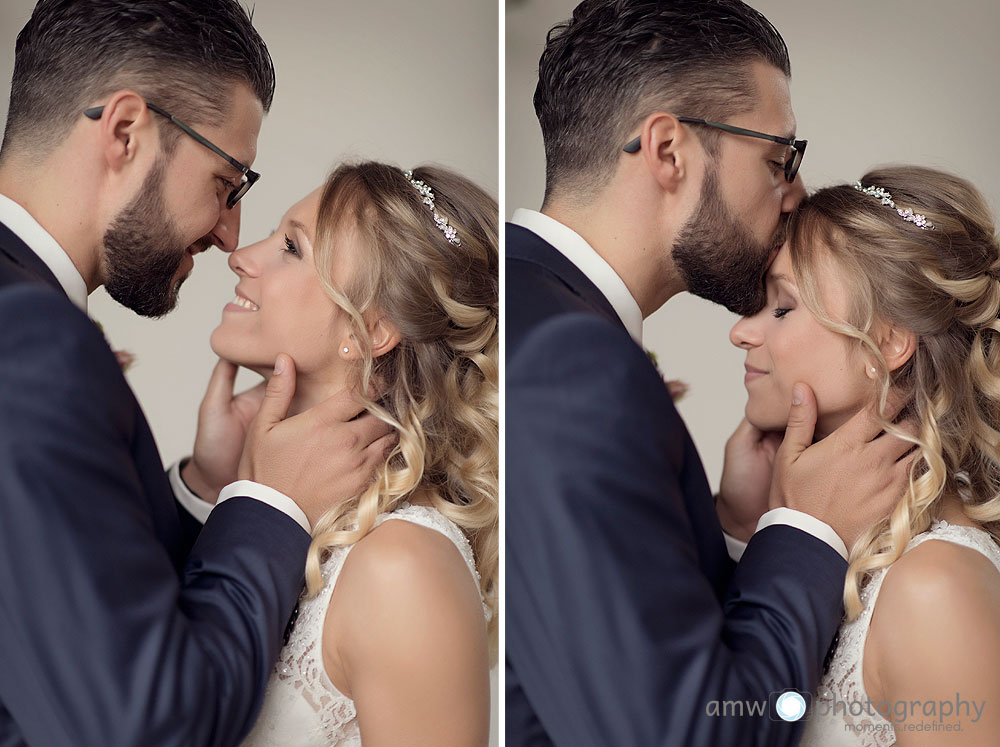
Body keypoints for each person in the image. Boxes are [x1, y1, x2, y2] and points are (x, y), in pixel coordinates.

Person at [505, 1, 916, 744]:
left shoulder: (520, 307)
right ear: (669, 152)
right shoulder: (575, 364)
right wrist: (809, 530)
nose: (792, 192)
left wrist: (729, 529)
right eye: (777, 158)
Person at [0, 2, 391, 744]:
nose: (230, 235)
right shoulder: (31, 339)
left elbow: (62, 616)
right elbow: (145, 724)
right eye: (226, 181)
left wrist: (210, 489)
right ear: (124, 132)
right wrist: (270, 504)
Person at [179, 161, 497, 746]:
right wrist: (213, 483)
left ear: (371, 330)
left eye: (292, 247)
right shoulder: (281, 518)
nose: (240, 254)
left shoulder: (404, 567)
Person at [730, 166, 1000, 745]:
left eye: (781, 307)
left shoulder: (935, 587)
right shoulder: (838, 548)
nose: (741, 333)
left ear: (887, 344)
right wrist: (741, 523)